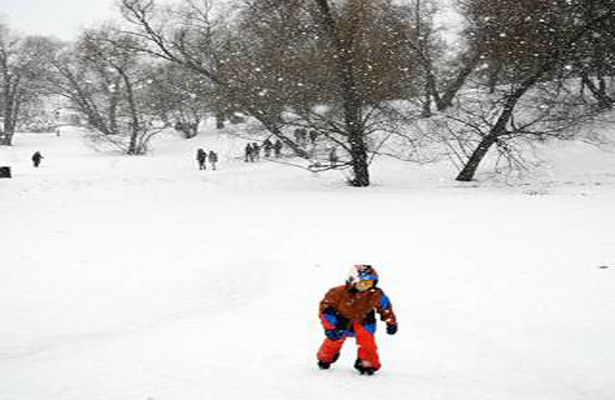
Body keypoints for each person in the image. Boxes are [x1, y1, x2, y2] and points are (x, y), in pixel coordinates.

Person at [317, 265, 397, 375]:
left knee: (368, 343)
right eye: (362, 283)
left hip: (364, 321)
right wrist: (330, 327)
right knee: (334, 340)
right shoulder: (337, 292)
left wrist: (390, 322)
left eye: (370, 284)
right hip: (341, 320)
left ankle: (367, 362)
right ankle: (325, 358)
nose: (366, 287)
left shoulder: (375, 294)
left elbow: (385, 307)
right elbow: (326, 310)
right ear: (352, 281)